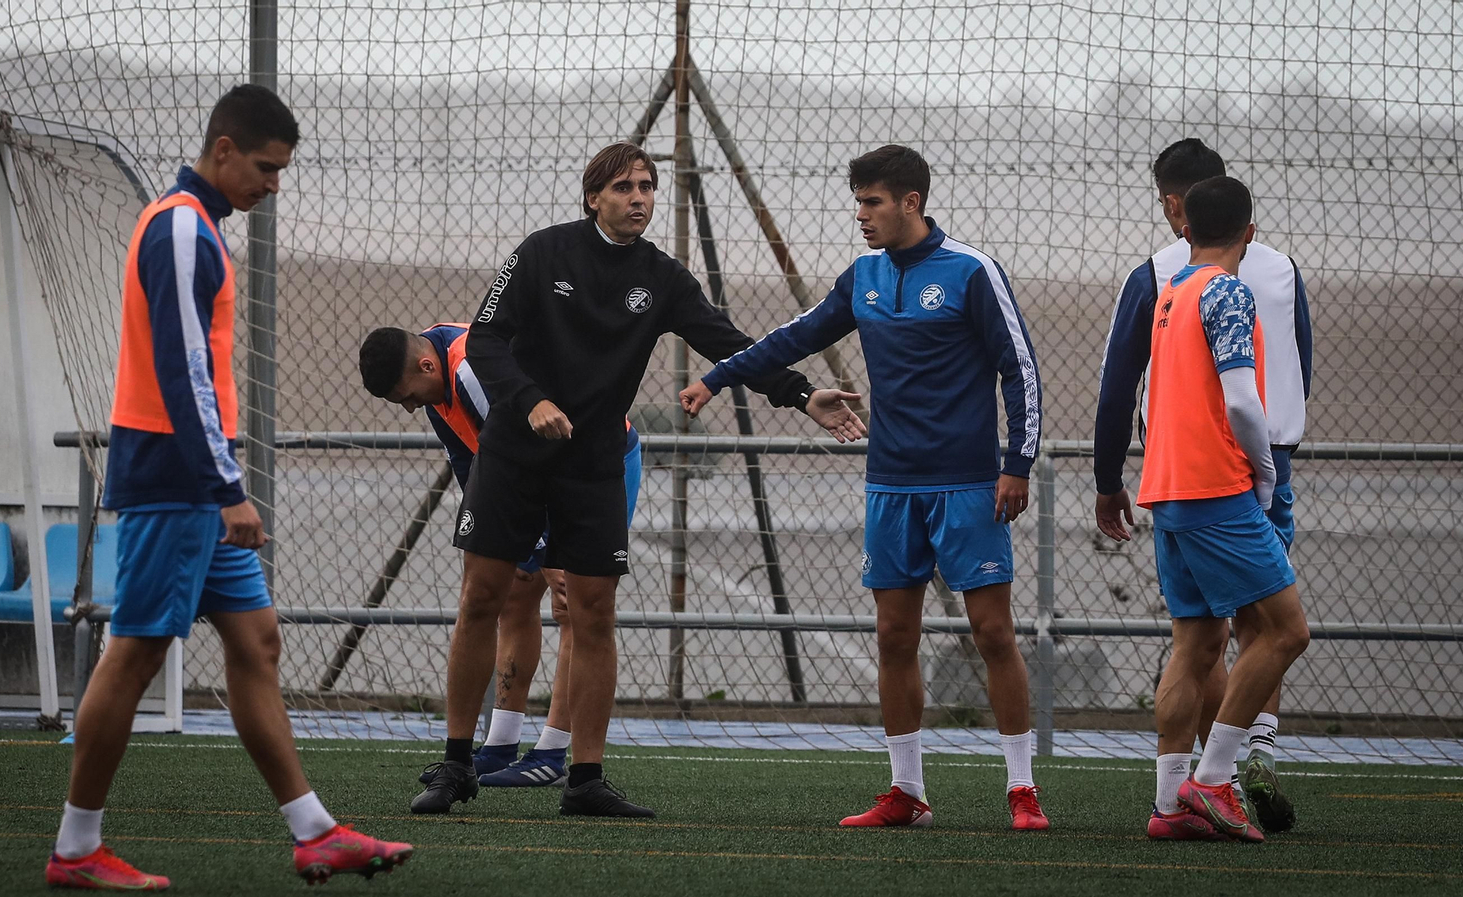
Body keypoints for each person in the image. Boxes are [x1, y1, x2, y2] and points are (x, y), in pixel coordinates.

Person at [409, 141, 864, 819]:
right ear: (594, 196)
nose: (640, 197)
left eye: (647, 186)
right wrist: (530, 400)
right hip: (513, 452)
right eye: (624, 187)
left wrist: (801, 395)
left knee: (592, 612)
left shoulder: (662, 276)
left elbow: (728, 341)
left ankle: (584, 777)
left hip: (592, 462)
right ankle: (454, 763)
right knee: (483, 596)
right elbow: (483, 341)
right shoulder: (541, 252)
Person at [45, 85, 413, 891]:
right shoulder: (180, 225)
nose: (273, 185)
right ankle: (75, 849)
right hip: (177, 482)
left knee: (257, 641)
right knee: (136, 651)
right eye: (265, 167)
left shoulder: (200, 227)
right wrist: (226, 487)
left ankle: (314, 831)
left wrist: (221, 482)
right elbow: (181, 371)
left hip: (199, 483)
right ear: (222, 150)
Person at [680, 144, 1049, 831]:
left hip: (969, 483)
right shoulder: (864, 276)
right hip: (891, 484)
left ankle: (1022, 790)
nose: (861, 214)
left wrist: (1017, 463)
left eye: (872, 201)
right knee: (892, 634)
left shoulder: (971, 271)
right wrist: (718, 375)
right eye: (858, 201)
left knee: (993, 632)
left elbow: (1019, 369)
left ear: (911, 202)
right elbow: (791, 338)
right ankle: (906, 792)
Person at [1095, 139, 1312, 836]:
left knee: (1193, 640)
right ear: (1249, 230)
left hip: (1166, 485)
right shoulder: (1229, 289)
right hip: (1223, 484)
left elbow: (1127, 389)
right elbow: (1247, 403)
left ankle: (1168, 805)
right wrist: (1268, 469)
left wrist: (1110, 476)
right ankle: (1217, 777)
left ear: (1182, 219)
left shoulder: (1168, 289)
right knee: (1282, 630)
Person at [359, 322, 645, 788]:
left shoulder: (472, 373)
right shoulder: (435, 381)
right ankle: (500, 744)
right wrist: (493, 539)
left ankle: (553, 753)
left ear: (426, 365)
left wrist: (551, 549)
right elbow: (470, 464)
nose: (410, 406)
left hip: (591, 463)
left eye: (406, 394)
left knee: (573, 603)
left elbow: (543, 454)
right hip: (528, 474)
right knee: (513, 593)